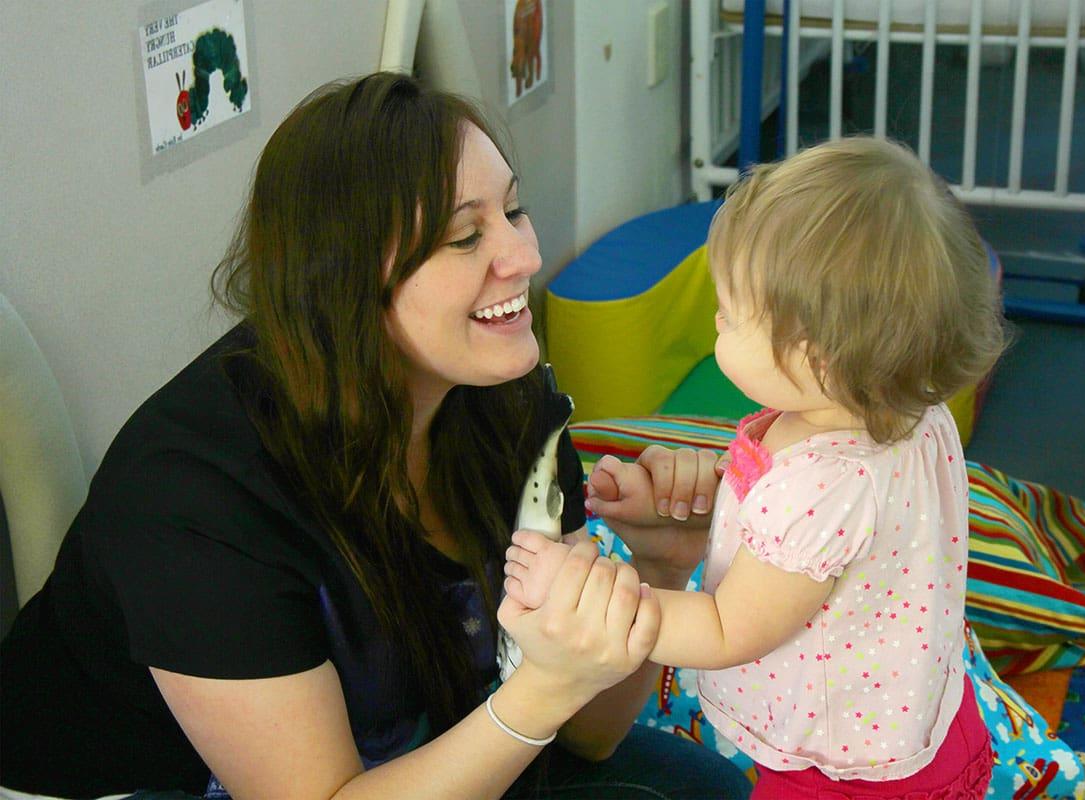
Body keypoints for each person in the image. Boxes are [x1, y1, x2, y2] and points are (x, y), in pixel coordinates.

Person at [0, 73, 751, 800]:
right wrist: (537, 695)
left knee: (700, 788)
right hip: (147, 785)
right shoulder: (196, 497)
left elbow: (589, 736)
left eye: (513, 212)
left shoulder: (505, 400)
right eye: (465, 236)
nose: (523, 257)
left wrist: (657, 567)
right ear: (345, 277)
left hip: (405, 747)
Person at [505, 137, 1005, 799]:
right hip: (928, 728)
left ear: (816, 358)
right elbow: (827, 526)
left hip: (842, 777)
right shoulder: (913, 409)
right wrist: (710, 499)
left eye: (731, 314)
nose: (716, 318)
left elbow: (722, 629)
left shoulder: (822, 487)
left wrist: (593, 595)